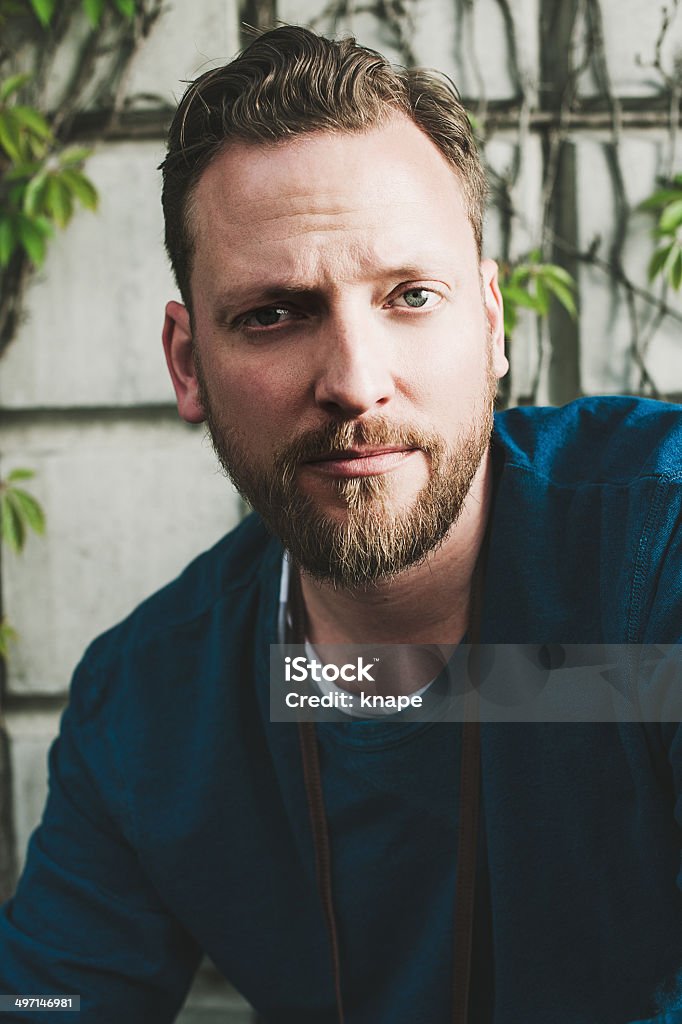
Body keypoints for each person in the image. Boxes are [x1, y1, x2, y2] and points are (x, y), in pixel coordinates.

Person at [0, 24, 680, 1024]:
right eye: (275, 313)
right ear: (187, 362)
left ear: (491, 324)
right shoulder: (151, 705)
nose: (355, 383)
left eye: (410, 295)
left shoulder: (656, 549)